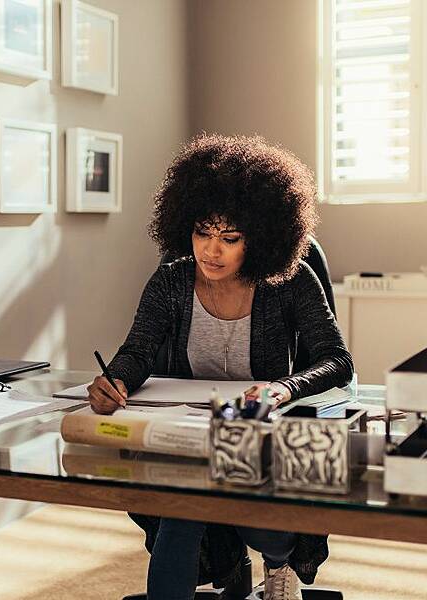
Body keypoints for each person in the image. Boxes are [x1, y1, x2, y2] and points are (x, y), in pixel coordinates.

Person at [86, 134, 354, 600]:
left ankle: (277, 564)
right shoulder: (172, 279)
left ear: (262, 237)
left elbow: (338, 362)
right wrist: (115, 379)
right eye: (201, 233)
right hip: (193, 432)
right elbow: (138, 351)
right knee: (181, 511)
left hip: (262, 430)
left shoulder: (291, 280)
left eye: (229, 238)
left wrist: (281, 390)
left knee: (260, 525)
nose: (211, 250)